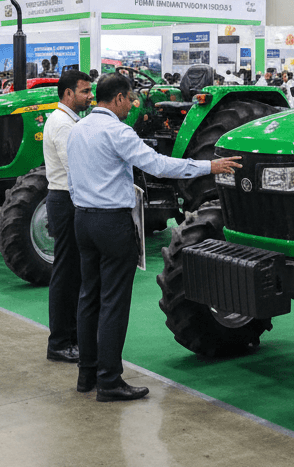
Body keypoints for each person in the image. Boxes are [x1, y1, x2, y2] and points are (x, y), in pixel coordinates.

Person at [66, 73, 242, 401]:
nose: (133, 104)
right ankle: (109, 380)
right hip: (111, 222)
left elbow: (72, 178)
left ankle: (87, 374)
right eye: (130, 98)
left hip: (83, 219)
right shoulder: (118, 131)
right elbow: (158, 165)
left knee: (89, 296)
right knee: (113, 302)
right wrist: (208, 167)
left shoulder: (78, 129)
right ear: (118, 98)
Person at [43, 69, 93, 364]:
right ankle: (60, 343)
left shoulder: (70, 120)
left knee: (73, 273)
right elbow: (73, 168)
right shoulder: (62, 124)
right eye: (85, 91)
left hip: (67, 199)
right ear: (68, 93)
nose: (90, 96)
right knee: (66, 274)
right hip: (66, 200)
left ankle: (71, 337)